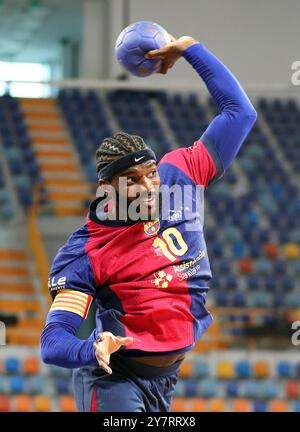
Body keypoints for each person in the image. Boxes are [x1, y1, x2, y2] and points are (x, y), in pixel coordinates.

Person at [40, 34, 257, 412]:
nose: (149, 186)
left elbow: (240, 112)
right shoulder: (86, 251)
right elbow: (52, 340)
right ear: (107, 187)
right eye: (133, 180)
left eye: (151, 173)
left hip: (167, 380)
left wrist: (191, 49)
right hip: (114, 381)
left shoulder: (182, 174)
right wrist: (90, 348)